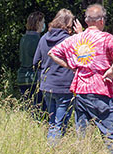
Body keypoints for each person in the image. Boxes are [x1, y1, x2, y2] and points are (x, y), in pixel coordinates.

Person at [48, 4, 113, 154]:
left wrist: (70, 66)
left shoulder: (76, 39)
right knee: (110, 133)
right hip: (102, 90)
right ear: (101, 21)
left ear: (86, 21)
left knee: (83, 133)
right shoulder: (106, 38)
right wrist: (112, 70)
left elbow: (52, 53)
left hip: (80, 91)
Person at [33, 9, 82, 140]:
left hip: (47, 85)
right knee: (60, 124)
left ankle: (52, 147)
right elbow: (83, 58)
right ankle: (53, 152)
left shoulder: (44, 38)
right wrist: (81, 35)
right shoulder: (70, 40)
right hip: (64, 86)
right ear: (68, 24)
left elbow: (36, 61)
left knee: (53, 122)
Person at [16, 10, 45, 101]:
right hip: (34, 78)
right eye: (43, 22)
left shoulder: (23, 38)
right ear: (38, 23)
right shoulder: (38, 40)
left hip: (22, 77)